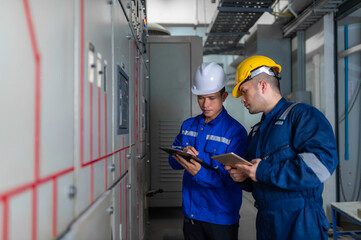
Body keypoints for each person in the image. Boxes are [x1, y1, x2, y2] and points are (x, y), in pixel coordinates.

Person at [225, 55, 338, 240]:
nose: (242, 99)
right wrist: (243, 177)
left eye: (244, 91)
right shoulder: (257, 132)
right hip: (266, 222)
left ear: (262, 85)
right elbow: (259, 180)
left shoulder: (302, 116)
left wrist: (262, 171)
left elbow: (322, 164)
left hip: (301, 223)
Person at [168, 62, 248, 240]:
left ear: (224, 96)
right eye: (201, 98)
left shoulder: (235, 132)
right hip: (192, 215)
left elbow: (234, 179)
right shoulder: (188, 125)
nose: (205, 104)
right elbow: (172, 162)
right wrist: (181, 154)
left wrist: (200, 173)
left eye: (212, 98)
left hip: (221, 217)